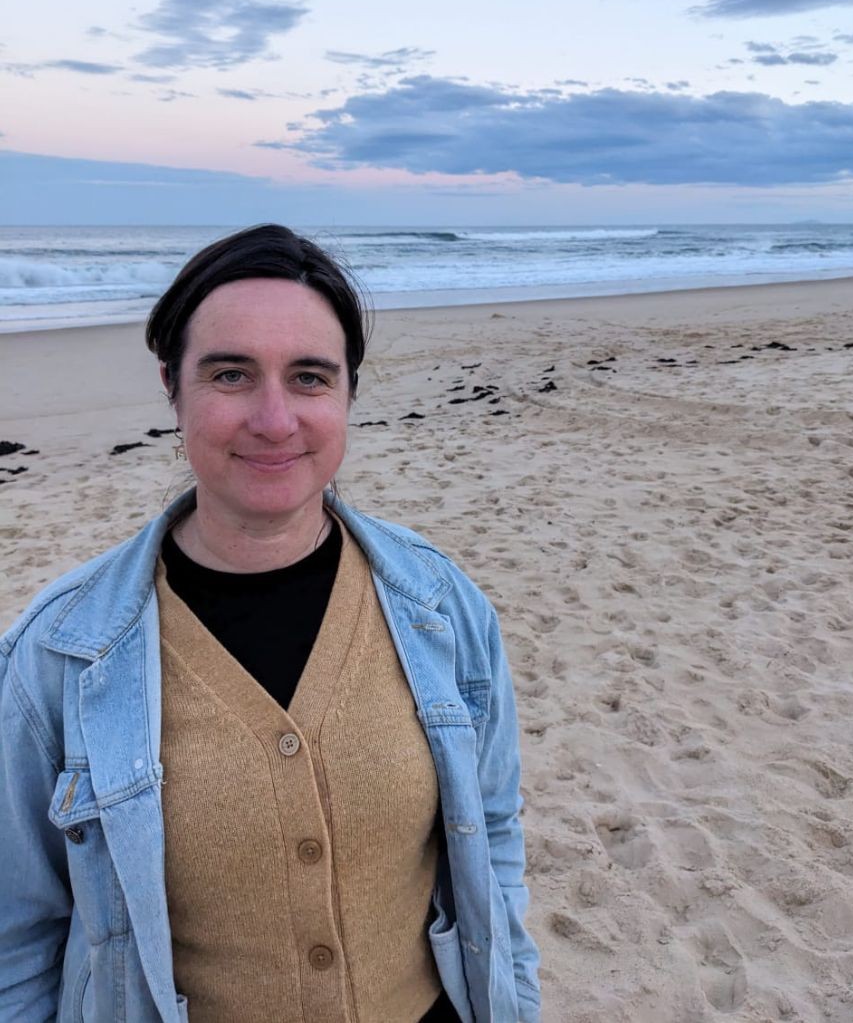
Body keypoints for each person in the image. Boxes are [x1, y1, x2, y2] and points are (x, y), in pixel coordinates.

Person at [0, 224, 540, 1023]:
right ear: (172, 387)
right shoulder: (56, 655)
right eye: (231, 373)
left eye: (310, 377)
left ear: (348, 393)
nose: (275, 417)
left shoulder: (442, 606)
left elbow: (493, 837)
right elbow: (20, 934)